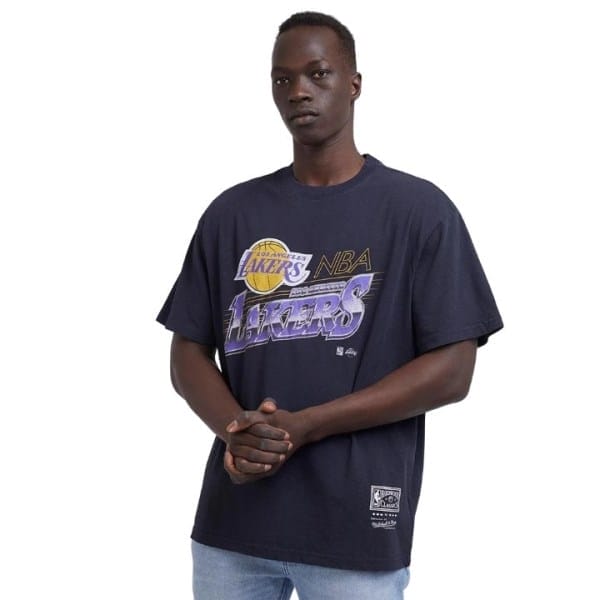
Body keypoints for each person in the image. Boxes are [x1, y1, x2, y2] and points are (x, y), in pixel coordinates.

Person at [157, 11, 503, 600]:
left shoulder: (419, 212)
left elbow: (453, 371)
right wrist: (236, 432)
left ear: (354, 83)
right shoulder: (231, 213)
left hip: (354, 533)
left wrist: (307, 425)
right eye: (282, 79)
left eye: (318, 73)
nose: (299, 91)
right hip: (233, 528)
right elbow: (187, 352)